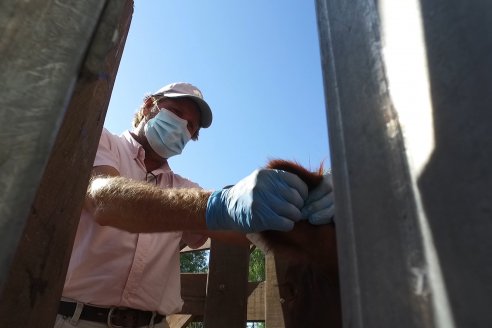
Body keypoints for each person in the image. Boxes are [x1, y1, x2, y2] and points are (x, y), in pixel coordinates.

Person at [55, 82, 335, 328]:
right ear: (148, 105)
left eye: (191, 127)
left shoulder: (185, 187)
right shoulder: (102, 141)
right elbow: (105, 199)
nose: (183, 127)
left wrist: (312, 208)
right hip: (75, 318)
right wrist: (218, 205)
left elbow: (244, 233)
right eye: (177, 113)